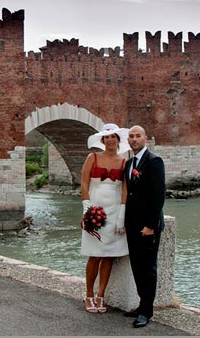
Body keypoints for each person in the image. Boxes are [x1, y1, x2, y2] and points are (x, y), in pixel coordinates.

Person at [80, 123, 131, 314]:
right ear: (102, 140)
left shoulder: (124, 162)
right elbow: (84, 183)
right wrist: (87, 207)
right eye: (107, 137)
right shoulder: (92, 158)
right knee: (95, 254)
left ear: (118, 140)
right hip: (94, 209)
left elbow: (125, 187)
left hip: (114, 210)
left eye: (113, 137)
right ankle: (88, 295)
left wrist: (122, 214)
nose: (110, 140)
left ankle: (101, 295)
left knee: (109, 255)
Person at [123, 125, 166, 327]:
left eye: (138, 136)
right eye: (131, 136)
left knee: (148, 267)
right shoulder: (129, 163)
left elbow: (158, 196)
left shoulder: (154, 161)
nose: (134, 139)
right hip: (132, 224)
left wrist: (150, 225)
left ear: (145, 138)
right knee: (137, 266)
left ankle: (147, 312)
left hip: (148, 226)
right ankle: (141, 304)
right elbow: (131, 195)